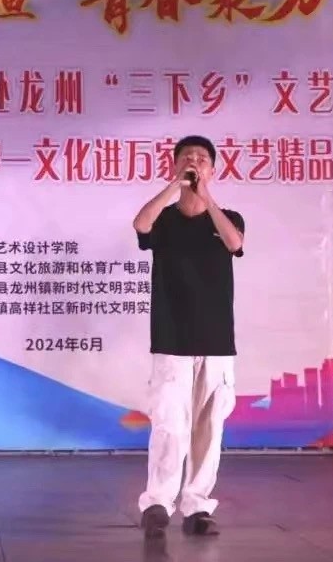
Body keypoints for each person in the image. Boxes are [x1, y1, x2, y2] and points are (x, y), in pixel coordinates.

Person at [132, 135, 245, 538]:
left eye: (201, 159)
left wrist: (205, 196)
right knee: (169, 425)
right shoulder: (164, 219)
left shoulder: (227, 217)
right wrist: (175, 186)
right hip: (171, 339)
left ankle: (197, 507)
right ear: (176, 165)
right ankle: (157, 504)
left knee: (209, 428)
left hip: (216, 343)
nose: (194, 162)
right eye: (186, 157)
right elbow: (141, 224)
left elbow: (235, 243)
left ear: (213, 169)